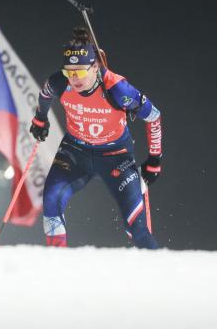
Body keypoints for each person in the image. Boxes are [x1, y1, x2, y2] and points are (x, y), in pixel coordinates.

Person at [30, 28, 163, 248]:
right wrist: (40, 120)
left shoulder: (118, 89)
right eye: (68, 72)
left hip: (116, 157)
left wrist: (154, 160)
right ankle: (55, 268)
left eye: (80, 72)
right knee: (51, 203)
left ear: (94, 67)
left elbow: (154, 116)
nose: (74, 79)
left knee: (137, 229)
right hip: (75, 152)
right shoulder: (59, 82)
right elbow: (45, 96)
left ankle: (161, 275)